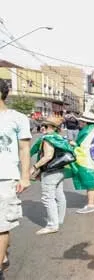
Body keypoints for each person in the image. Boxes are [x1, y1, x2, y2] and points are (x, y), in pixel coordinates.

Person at [0, 79, 31, 280]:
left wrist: (25, 176)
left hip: (5, 177)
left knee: (2, 224)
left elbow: (24, 148)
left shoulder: (17, 118)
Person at [30, 116, 68, 235]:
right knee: (59, 195)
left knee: (48, 198)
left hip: (50, 172)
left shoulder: (48, 139)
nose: (43, 128)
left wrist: (34, 167)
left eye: (45, 126)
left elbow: (48, 156)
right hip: (60, 170)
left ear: (52, 127)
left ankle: (52, 225)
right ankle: (59, 220)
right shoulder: (59, 138)